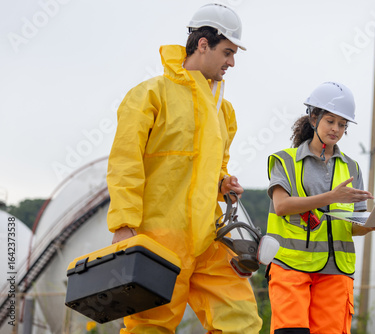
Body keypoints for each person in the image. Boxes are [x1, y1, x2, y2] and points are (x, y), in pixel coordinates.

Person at [106, 3, 262, 333]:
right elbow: (125, 163)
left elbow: (215, 164)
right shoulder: (150, 95)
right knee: (150, 328)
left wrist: (223, 181)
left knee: (241, 320)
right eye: (228, 52)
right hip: (158, 242)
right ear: (203, 44)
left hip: (208, 241)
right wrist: (123, 224)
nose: (232, 62)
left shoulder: (224, 110)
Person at [266, 81, 375, 334]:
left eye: (342, 124)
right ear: (314, 118)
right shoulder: (284, 160)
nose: (336, 129)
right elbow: (281, 206)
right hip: (291, 268)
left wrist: (373, 226)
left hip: (336, 272)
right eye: (330, 121)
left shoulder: (352, 167)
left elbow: (353, 227)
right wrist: (330, 197)